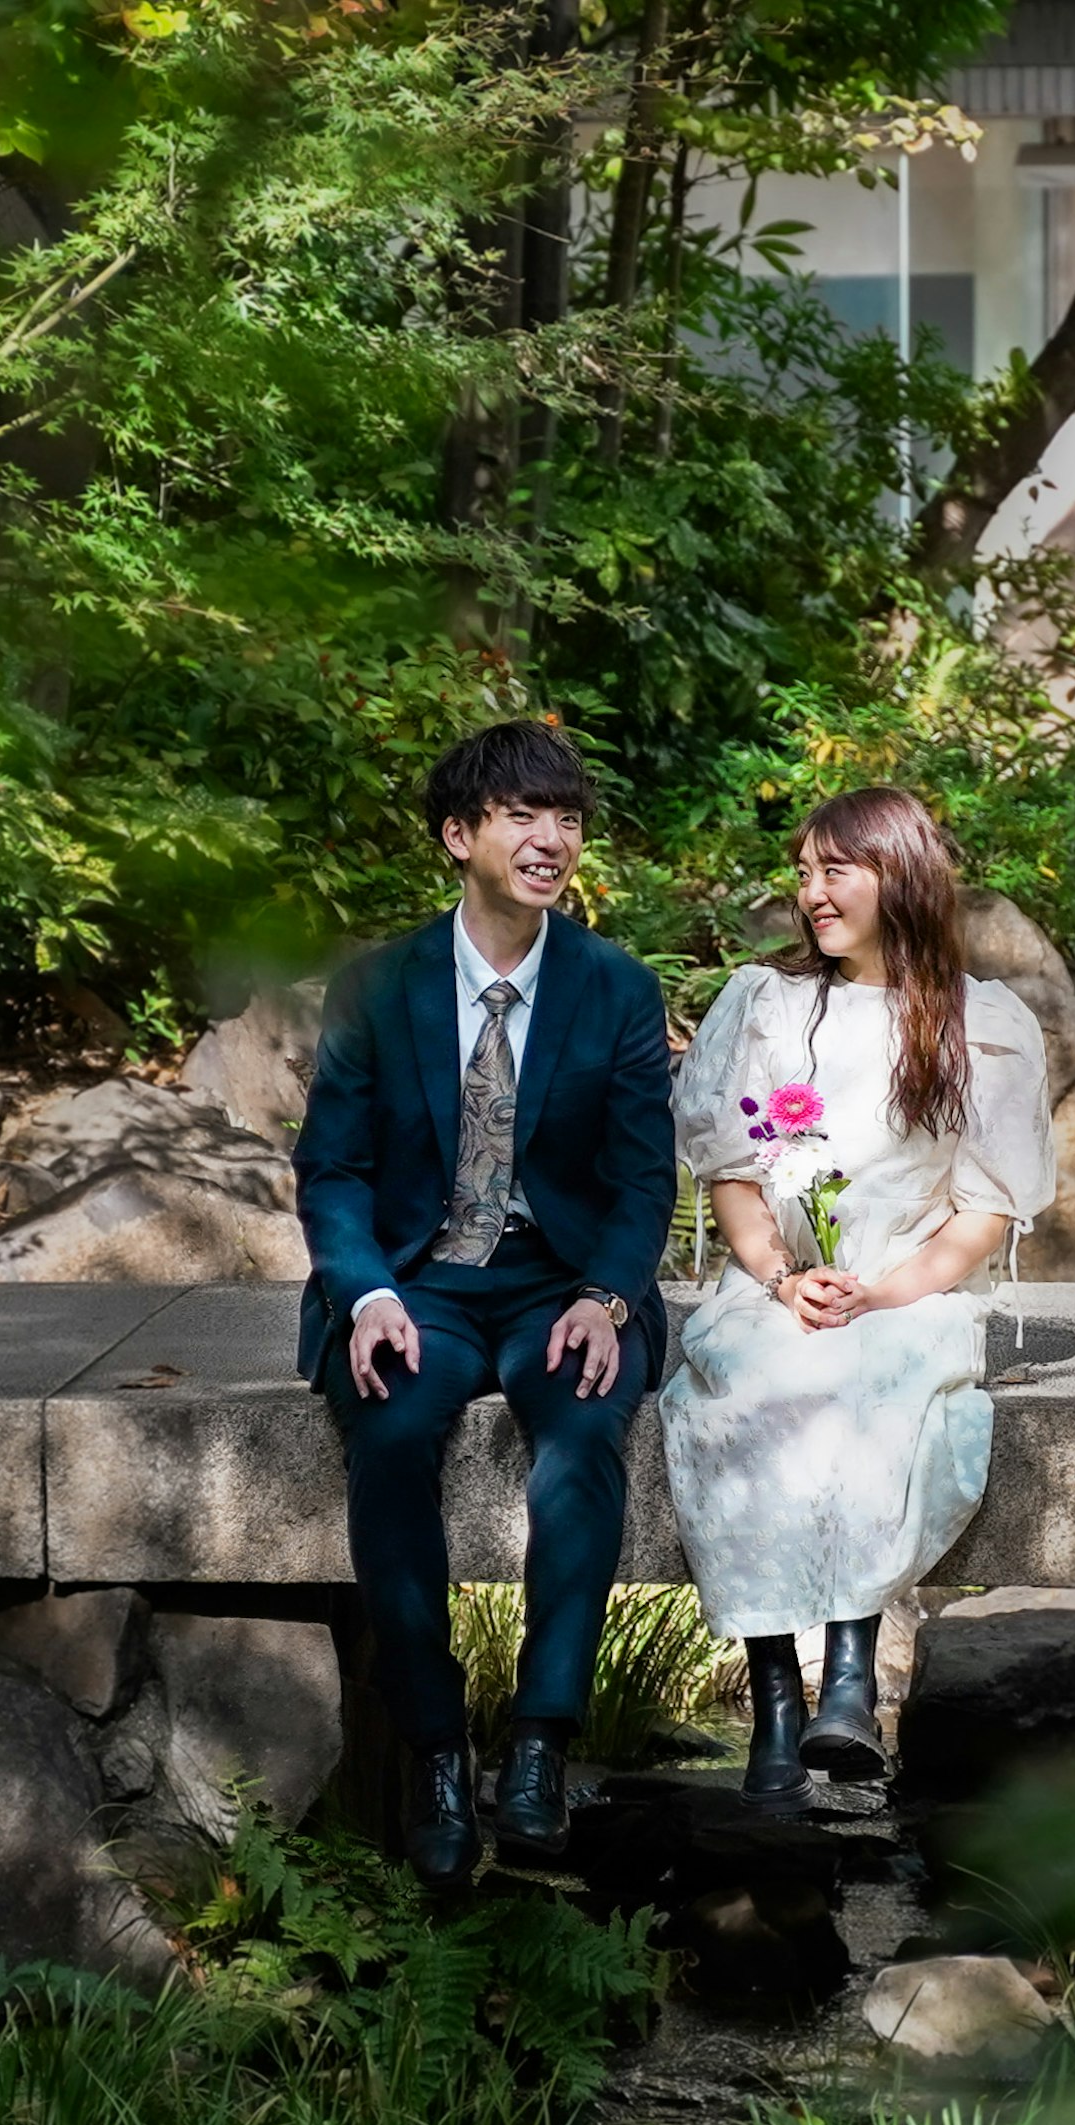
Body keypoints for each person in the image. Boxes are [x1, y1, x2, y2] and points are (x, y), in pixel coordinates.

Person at [292, 722, 676, 1885]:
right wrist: (362, 1294)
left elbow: (642, 1172)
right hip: (418, 1282)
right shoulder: (379, 982)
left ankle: (540, 1743)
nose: (550, 837)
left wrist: (610, 1295)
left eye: (565, 816)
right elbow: (334, 1168)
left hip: (562, 1284)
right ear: (460, 837)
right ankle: (437, 1748)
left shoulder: (613, 987)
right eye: (520, 813)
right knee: (395, 1428)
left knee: (580, 1430)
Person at [662, 787, 1056, 1796]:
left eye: (834, 870)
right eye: (802, 873)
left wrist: (884, 1291)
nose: (811, 892)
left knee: (874, 1384)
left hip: (904, 1287)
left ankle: (847, 1675)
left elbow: (978, 1214)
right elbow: (734, 1175)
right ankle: (777, 1707)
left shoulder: (984, 1021)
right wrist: (785, 1274)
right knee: (751, 1390)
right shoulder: (767, 1001)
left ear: (900, 875)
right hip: (777, 1282)